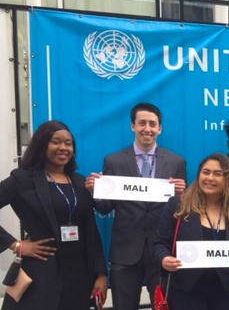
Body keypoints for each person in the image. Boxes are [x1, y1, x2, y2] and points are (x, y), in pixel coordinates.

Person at [85, 103, 187, 309]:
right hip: (125, 251)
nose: (147, 129)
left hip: (161, 250)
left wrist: (182, 195)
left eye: (152, 124)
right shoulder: (114, 161)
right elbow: (105, 208)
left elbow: (181, 211)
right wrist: (95, 192)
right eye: (142, 123)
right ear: (132, 126)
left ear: (160, 128)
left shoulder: (177, 162)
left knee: (164, 306)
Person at [0, 120, 107, 310]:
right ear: (42, 144)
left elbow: (91, 231)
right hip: (41, 274)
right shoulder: (22, 179)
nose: (63, 148)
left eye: (68, 143)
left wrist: (101, 274)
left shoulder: (80, 182)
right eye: (56, 142)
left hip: (80, 275)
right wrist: (16, 245)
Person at [153, 153, 229, 309]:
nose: (210, 178)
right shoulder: (178, 205)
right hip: (185, 292)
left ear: (228, 179)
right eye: (206, 172)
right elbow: (160, 242)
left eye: (217, 174)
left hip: (223, 294)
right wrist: (164, 259)